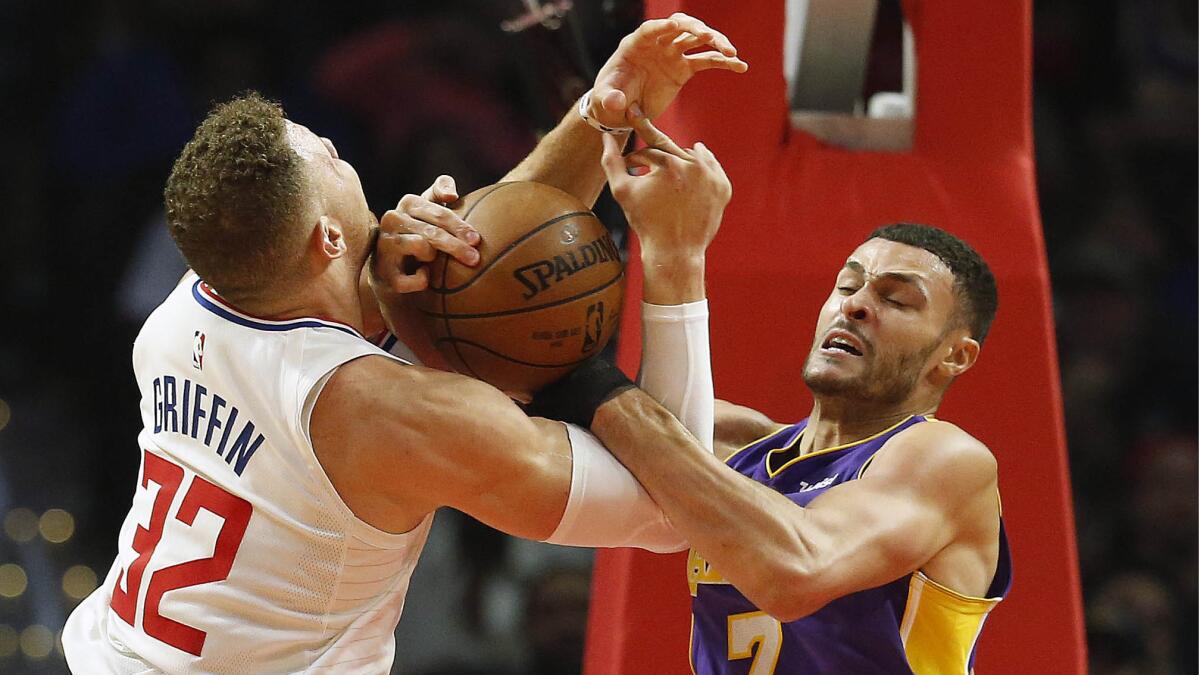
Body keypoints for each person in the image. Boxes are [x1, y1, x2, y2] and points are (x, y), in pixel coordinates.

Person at [61, 14, 745, 673]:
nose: (343, 152)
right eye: (329, 156)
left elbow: (504, 253)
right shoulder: (396, 416)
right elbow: (673, 509)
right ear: (327, 240)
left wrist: (603, 111)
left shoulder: (190, 305)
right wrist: (677, 257)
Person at [550, 127, 1013, 673]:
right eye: (847, 286)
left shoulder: (945, 460)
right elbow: (530, 406)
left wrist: (606, 392)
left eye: (895, 299)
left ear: (954, 357)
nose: (856, 306)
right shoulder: (729, 444)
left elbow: (796, 571)